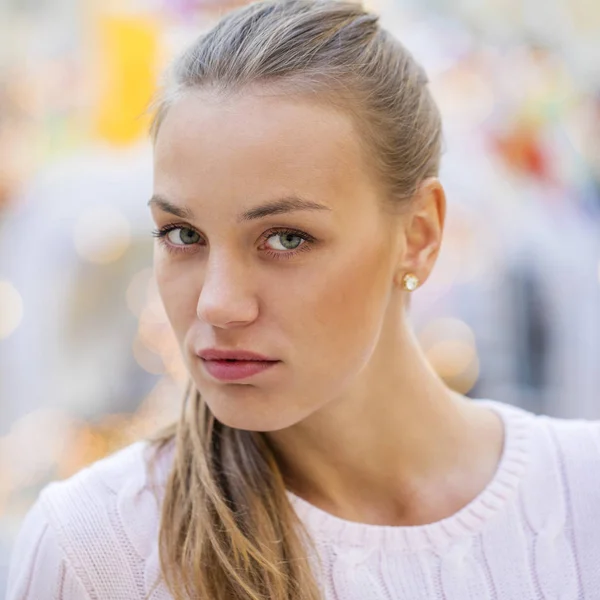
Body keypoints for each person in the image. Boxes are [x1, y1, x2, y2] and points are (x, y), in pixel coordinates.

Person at [6, 1, 600, 598]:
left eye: (286, 239)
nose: (218, 305)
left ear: (418, 235)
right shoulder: (93, 549)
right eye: (183, 235)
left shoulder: (582, 495)